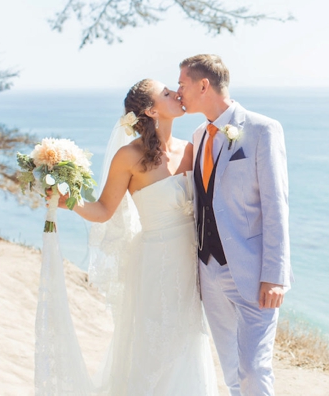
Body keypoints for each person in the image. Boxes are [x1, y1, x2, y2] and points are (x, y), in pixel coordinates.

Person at [51, 78, 218, 395]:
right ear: (152, 110)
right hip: (157, 264)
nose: (177, 94)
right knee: (156, 345)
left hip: (193, 264)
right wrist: (70, 201)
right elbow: (103, 210)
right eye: (167, 93)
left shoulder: (192, 149)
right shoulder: (128, 156)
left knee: (190, 341)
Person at [177, 54, 293, 396]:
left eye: (183, 84)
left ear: (203, 85)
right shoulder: (199, 136)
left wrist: (275, 275)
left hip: (253, 272)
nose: (178, 91)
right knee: (231, 371)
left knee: (254, 372)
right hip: (208, 271)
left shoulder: (262, 129)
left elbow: (276, 205)